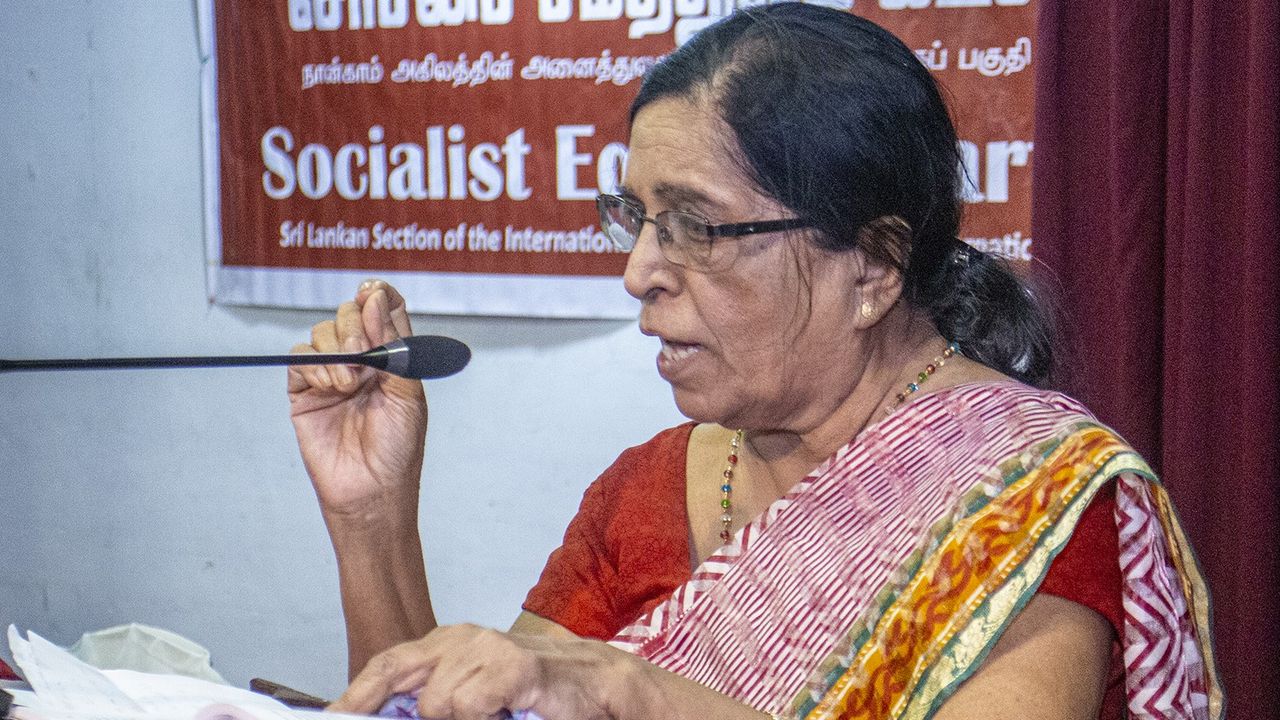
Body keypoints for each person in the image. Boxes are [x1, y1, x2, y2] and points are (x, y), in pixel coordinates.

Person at [287, 4, 1221, 719]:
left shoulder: (1025, 502)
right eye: (637, 217)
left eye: (696, 225)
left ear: (873, 266)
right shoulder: (645, 493)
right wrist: (371, 520)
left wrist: (636, 692)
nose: (638, 271)